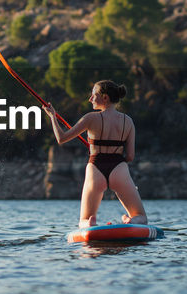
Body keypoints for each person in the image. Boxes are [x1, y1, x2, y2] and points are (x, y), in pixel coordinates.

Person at [43, 80, 148, 228]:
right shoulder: (128, 121)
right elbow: (130, 156)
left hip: (96, 168)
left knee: (84, 220)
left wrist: (53, 116)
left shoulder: (90, 118)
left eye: (93, 95)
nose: (90, 99)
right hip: (119, 168)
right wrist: (114, 157)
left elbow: (61, 138)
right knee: (141, 217)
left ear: (105, 98)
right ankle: (131, 220)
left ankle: (90, 222)